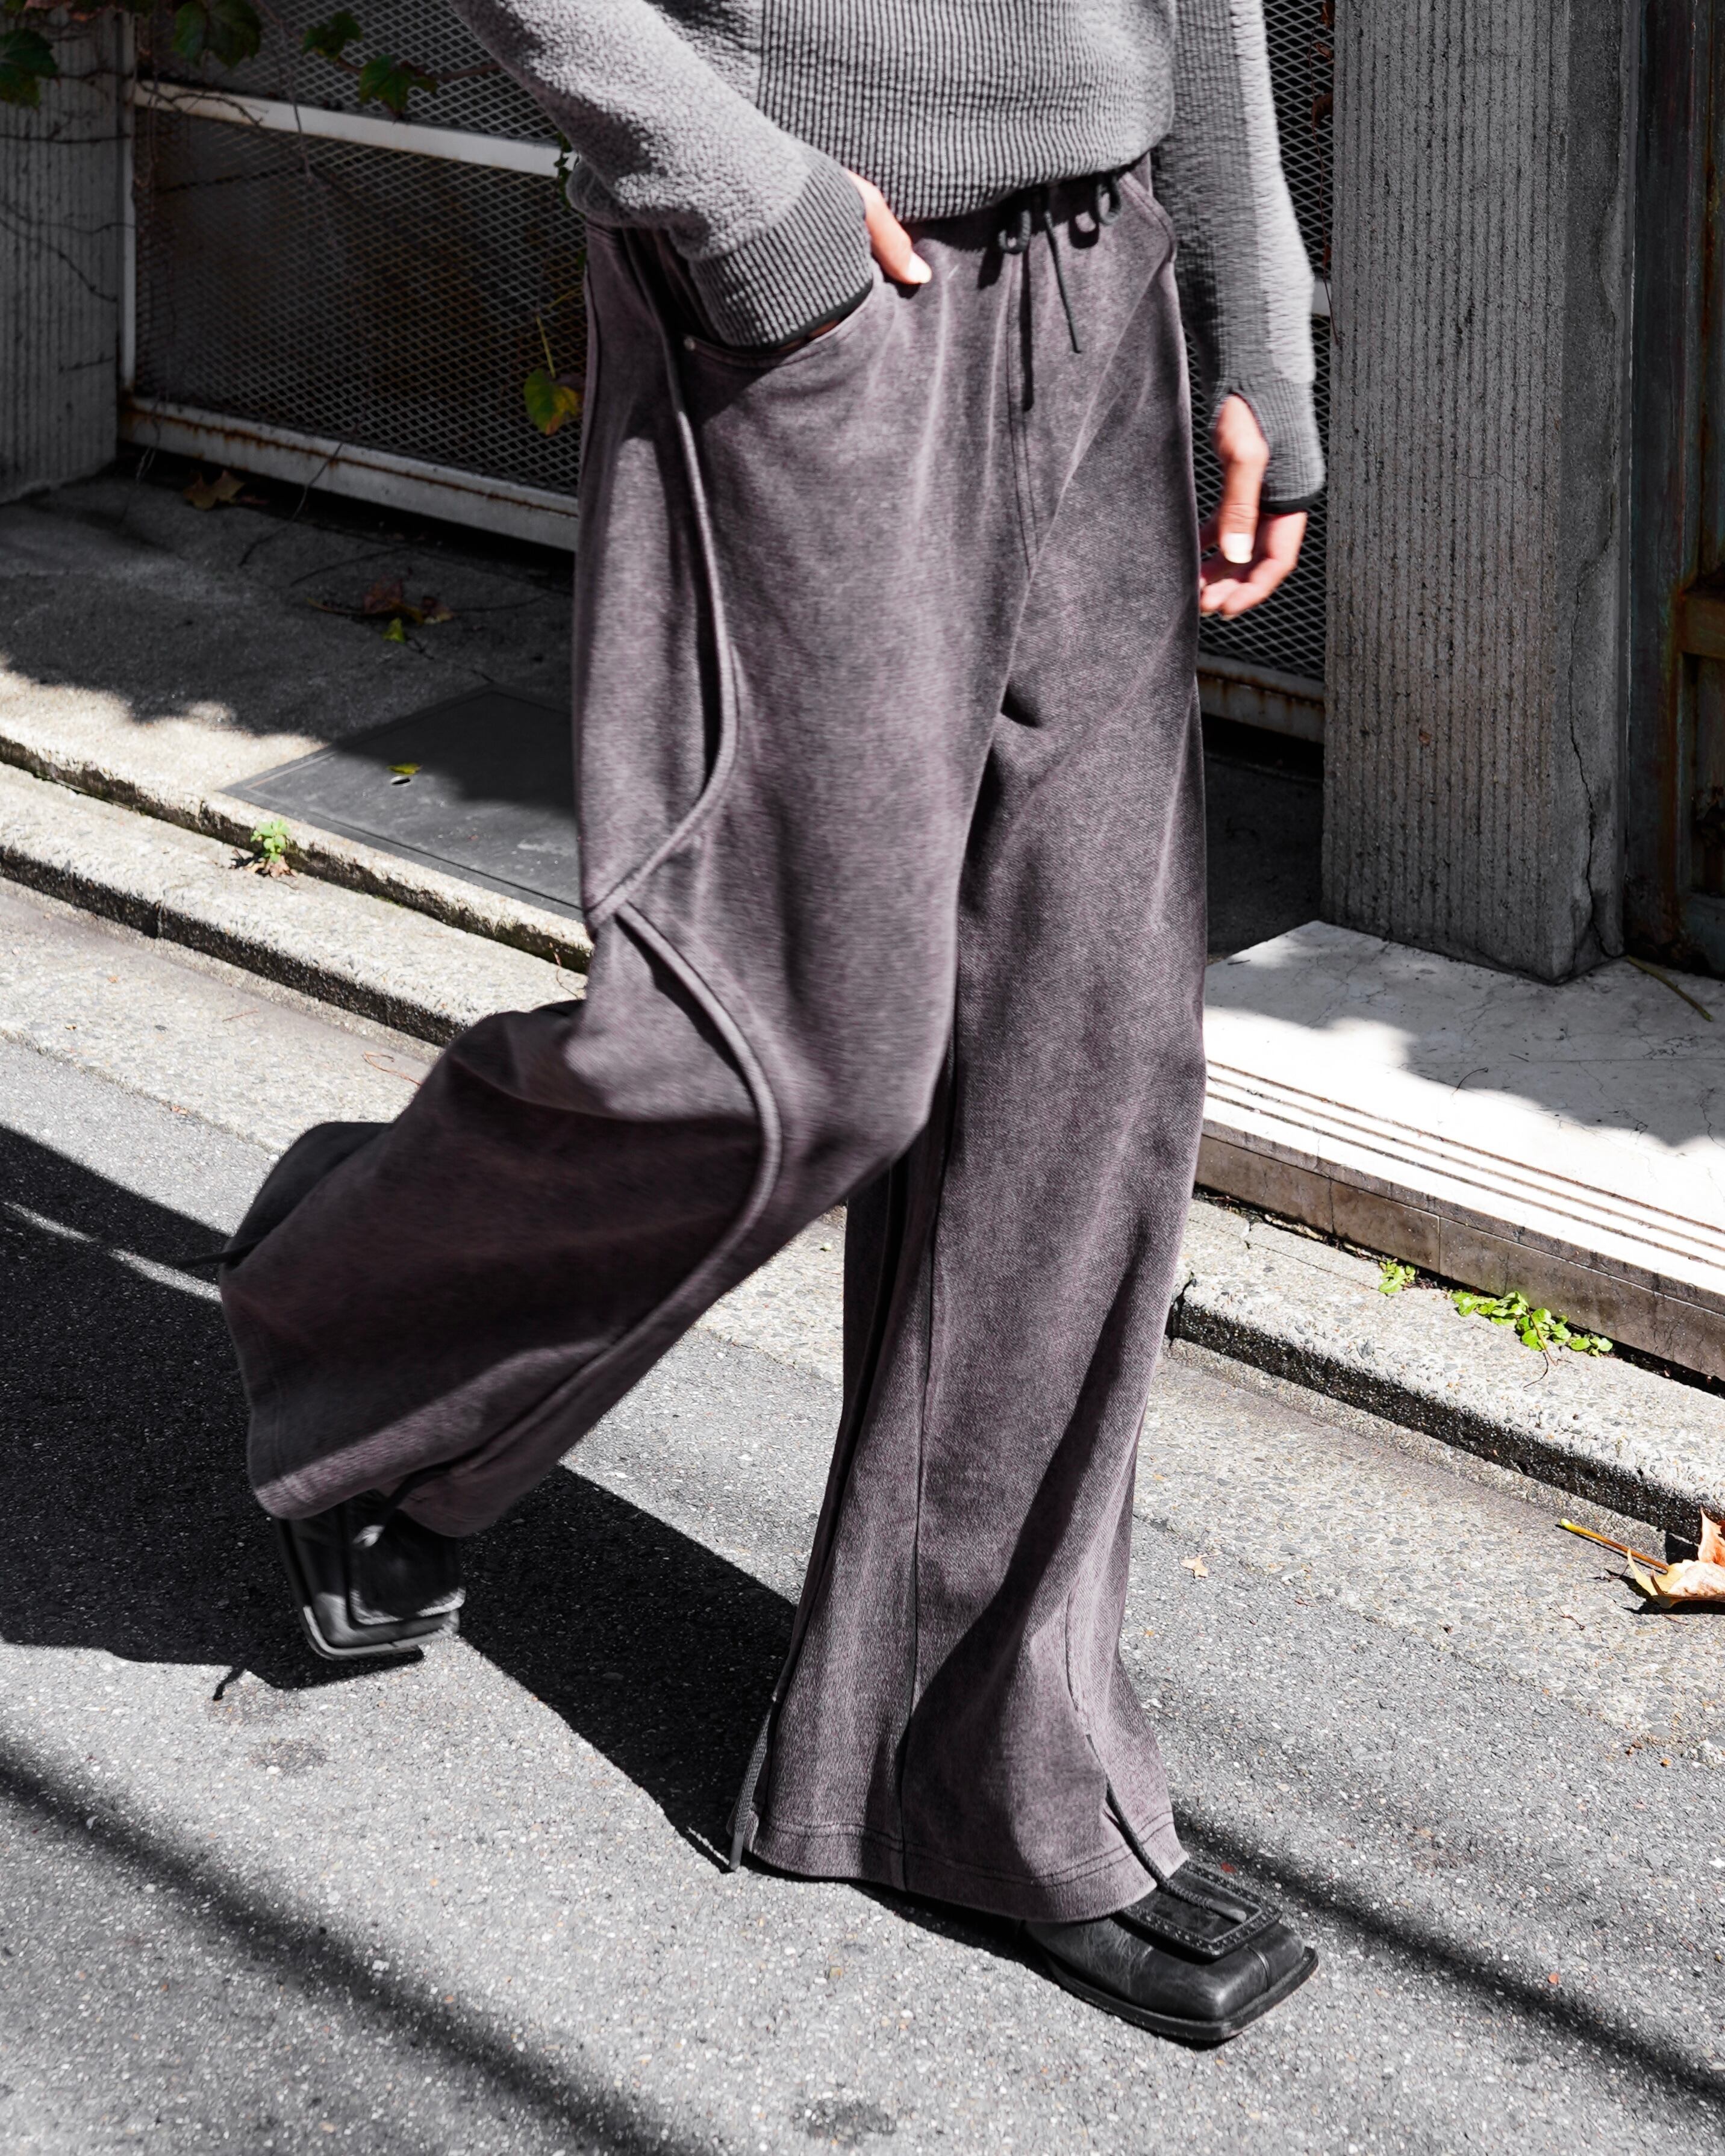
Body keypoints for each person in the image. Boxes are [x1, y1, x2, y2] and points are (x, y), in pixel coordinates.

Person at [219, 0, 1323, 2048]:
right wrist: (738, 194)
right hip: (824, 280)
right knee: (792, 1050)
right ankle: (362, 1314)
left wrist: (1257, 309)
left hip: (1107, 278)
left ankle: (971, 1770)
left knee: (1085, 1055)